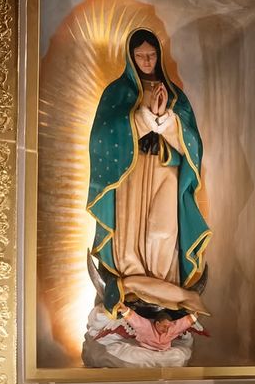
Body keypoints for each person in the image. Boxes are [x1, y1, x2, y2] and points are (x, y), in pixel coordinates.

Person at [87, 28, 211, 319]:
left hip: (166, 169)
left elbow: (193, 143)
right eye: (140, 55)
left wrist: (166, 121)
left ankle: (163, 284)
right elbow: (102, 136)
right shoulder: (117, 92)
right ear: (130, 57)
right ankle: (131, 286)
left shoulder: (175, 96)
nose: (146, 60)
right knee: (131, 231)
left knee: (164, 230)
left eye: (152, 55)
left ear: (159, 56)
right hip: (131, 172)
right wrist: (143, 118)